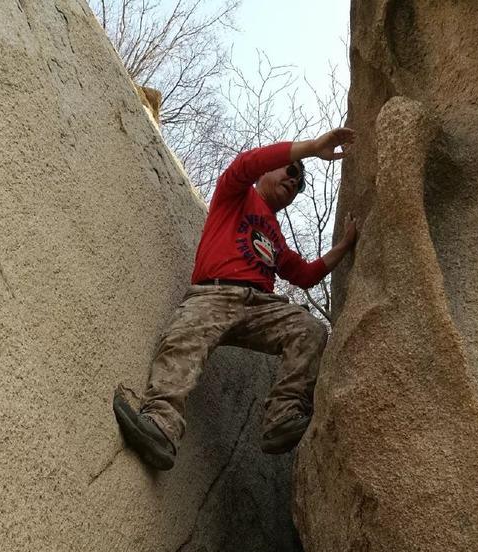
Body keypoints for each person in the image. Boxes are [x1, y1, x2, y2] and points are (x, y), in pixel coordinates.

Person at [113, 127, 358, 470]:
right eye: (291, 171)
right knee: (184, 337)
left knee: (309, 329)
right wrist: (310, 149)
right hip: (214, 293)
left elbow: (305, 275)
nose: (294, 181)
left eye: (300, 184)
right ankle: (161, 427)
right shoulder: (236, 193)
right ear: (269, 170)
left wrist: (345, 246)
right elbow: (247, 163)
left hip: (259, 307)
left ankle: (282, 418)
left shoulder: (275, 235)